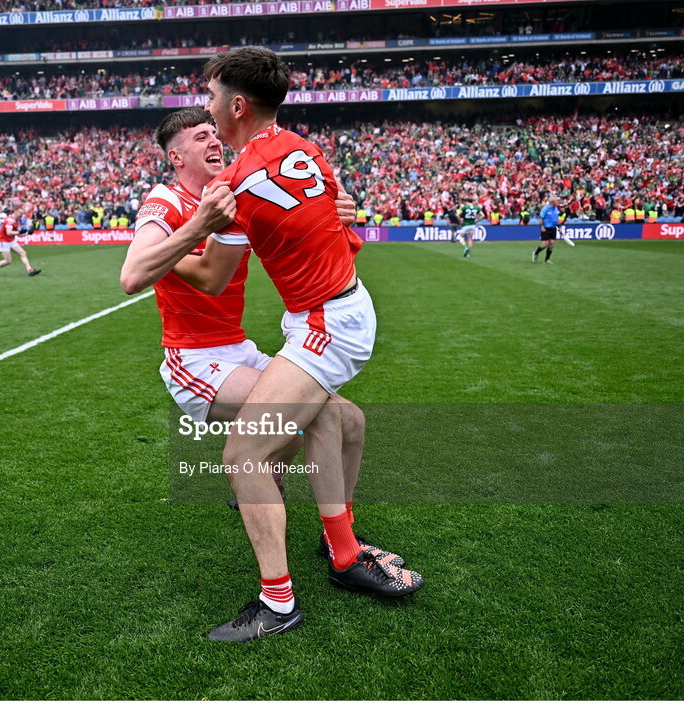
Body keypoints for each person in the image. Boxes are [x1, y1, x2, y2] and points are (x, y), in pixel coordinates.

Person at [121, 107, 406, 640]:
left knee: (350, 420)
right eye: (198, 136)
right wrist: (196, 228)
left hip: (239, 349)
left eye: (214, 132)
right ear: (175, 156)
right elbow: (134, 273)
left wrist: (334, 208)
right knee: (318, 419)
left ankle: (330, 532)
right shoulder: (165, 201)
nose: (212, 140)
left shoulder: (239, 195)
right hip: (195, 361)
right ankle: (292, 589)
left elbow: (263, 247)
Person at [186, 47, 423, 641]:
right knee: (342, 422)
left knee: (242, 458)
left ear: (236, 105)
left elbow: (212, 279)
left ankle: (279, 605)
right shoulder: (305, 148)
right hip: (338, 308)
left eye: (211, 96)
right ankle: (342, 550)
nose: (207, 107)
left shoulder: (235, 182)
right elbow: (343, 233)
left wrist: (176, 244)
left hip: (325, 323)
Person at [0, 210, 41, 277]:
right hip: (3, 241)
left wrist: (27, 233)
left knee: (23, 253)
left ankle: (30, 270)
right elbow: (9, 232)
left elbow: (18, 234)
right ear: (15, 212)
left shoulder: (17, 221)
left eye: (22, 213)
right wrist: (19, 232)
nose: (21, 215)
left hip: (11, 240)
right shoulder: (9, 220)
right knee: (8, 261)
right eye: (20, 213)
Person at [535, 195, 560, 264]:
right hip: (546, 228)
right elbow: (541, 218)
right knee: (545, 243)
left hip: (553, 228)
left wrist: (560, 227)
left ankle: (547, 260)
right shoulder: (545, 209)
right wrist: (542, 226)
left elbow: (557, 219)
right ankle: (536, 253)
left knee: (552, 243)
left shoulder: (556, 209)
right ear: (552, 201)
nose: (558, 201)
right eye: (556, 200)